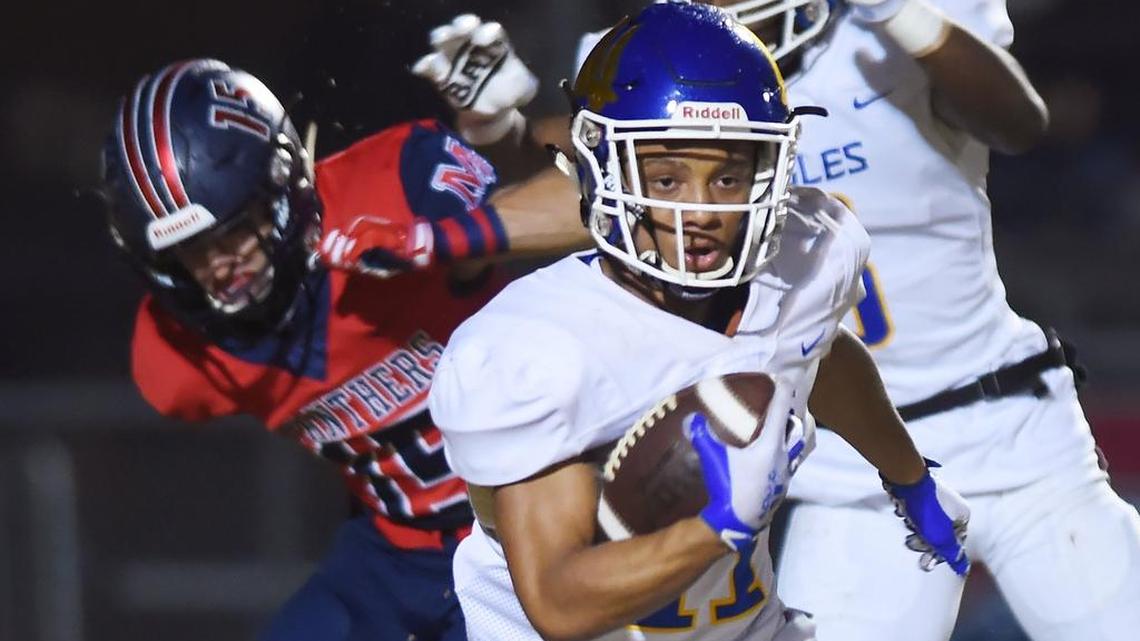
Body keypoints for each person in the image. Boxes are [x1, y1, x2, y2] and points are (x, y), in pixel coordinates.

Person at [427, 4, 970, 641]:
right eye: (666, 177)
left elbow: (812, 350)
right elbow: (558, 604)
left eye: (729, 176)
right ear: (605, 173)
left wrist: (908, 477)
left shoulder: (806, 259)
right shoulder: (535, 349)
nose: (702, 210)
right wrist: (719, 527)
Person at [99, 58, 588, 641]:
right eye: (190, 253)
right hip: (396, 552)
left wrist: (442, 240)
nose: (218, 266)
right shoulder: (180, 357)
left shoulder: (391, 185)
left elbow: (596, 200)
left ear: (280, 183)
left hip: (537, 519)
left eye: (231, 229)